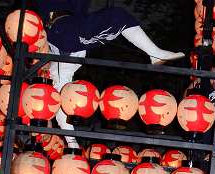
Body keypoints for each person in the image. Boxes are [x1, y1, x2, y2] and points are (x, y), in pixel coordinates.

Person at [32, 0, 184, 145]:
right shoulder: (63, 61)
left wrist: (72, 144)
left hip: (66, 32)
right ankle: (155, 53)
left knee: (63, 91)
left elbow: (61, 96)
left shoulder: (63, 65)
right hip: (64, 30)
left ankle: (72, 143)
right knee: (117, 16)